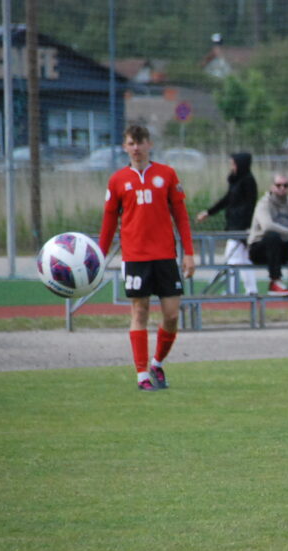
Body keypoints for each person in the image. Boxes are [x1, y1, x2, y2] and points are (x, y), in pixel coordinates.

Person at [99, 124, 195, 391]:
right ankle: (142, 375)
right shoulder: (118, 180)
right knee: (139, 310)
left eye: (140, 143)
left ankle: (157, 363)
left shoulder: (167, 174)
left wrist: (189, 252)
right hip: (135, 257)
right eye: (131, 143)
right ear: (125, 147)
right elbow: (109, 220)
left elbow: (181, 216)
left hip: (165, 256)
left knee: (172, 316)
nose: (136, 148)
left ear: (149, 144)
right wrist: (99, 256)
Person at [196, 152, 259, 296]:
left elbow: (250, 206)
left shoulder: (248, 181)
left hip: (241, 226)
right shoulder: (235, 180)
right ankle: (250, 289)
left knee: (233, 258)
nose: (232, 167)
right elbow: (227, 199)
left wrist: (247, 226)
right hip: (233, 224)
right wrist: (209, 212)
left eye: (234, 164)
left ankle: (233, 289)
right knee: (241, 259)